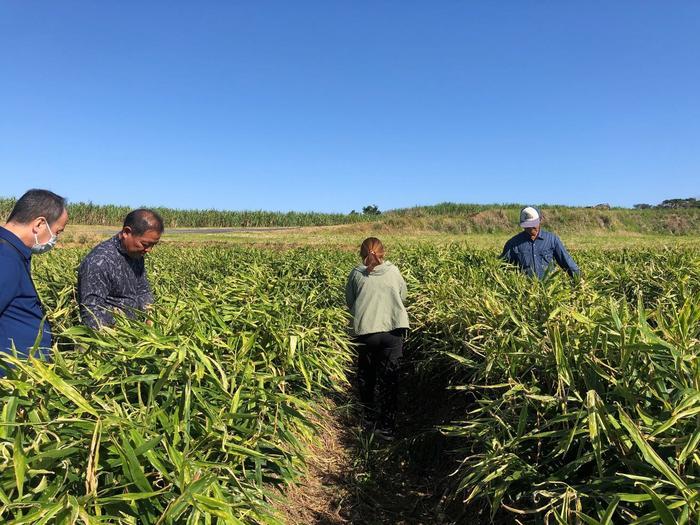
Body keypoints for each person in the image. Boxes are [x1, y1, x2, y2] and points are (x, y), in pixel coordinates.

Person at [345, 237, 409, 438]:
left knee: (366, 375)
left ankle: (369, 419)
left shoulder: (356, 274)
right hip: (393, 330)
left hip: (366, 332)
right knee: (390, 377)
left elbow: (350, 302)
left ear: (362, 254)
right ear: (383, 252)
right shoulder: (394, 271)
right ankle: (387, 427)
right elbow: (403, 295)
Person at [0, 189, 69, 375]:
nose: (56, 239)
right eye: (57, 232)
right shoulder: (5, 258)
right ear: (39, 224)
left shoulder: (12, 253)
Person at [78, 209, 163, 328]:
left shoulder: (136, 254)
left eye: (153, 245)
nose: (149, 250)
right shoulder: (99, 261)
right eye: (145, 244)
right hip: (110, 335)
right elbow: (91, 313)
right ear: (126, 232)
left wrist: (150, 317)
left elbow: (143, 290)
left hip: (133, 328)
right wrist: (120, 335)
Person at [501, 206, 580, 279]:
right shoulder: (513, 243)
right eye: (527, 226)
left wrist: (579, 281)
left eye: (533, 224)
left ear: (540, 220)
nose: (530, 228)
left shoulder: (552, 239)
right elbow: (503, 269)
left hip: (548, 290)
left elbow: (567, 262)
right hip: (526, 290)